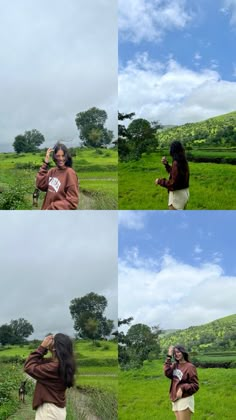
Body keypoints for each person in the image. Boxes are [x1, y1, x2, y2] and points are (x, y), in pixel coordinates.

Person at [24, 334, 76, 420]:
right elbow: (37, 362)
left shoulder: (54, 367)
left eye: (52, 339)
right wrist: (44, 349)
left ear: (55, 347)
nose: (48, 340)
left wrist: (42, 347)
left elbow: (28, 367)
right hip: (56, 410)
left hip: (49, 411)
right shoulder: (64, 363)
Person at [36, 143, 79, 210]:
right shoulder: (52, 171)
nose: (61, 158)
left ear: (66, 156)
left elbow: (72, 202)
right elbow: (40, 184)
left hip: (59, 217)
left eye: (63, 156)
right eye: (58, 156)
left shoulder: (70, 173)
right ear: (54, 157)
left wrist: (52, 207)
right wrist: (45, 163)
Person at [164, 345, 199, 420]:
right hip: (175, 398)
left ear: (183, 352)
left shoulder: (190, 367)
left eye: (178, 352)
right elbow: (167, 373)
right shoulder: (175, 365)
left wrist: (182, 388)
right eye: (174, 353)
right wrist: (169, 356)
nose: (176, 354)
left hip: (185, 398)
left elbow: (195, 385)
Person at [155, 141, 189, 210]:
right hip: (185, 194)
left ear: (173, 151)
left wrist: (159, 181)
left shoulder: (176, 163)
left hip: (177, 196)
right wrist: (166, 165)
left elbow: (173, 183)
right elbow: (176, 174)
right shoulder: (183, 161)